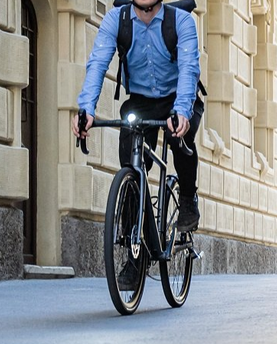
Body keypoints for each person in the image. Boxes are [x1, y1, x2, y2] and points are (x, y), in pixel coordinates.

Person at [72, 0, 201, 289]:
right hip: (141, 102)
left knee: (180, 139)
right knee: (131, 168)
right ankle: (134, 257)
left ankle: (187, 199)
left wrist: (182, 110)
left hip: (177, 97)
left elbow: (189, 69)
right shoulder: (116, 20)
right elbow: (97, 63)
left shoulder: (181, 22)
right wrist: (86, 109)